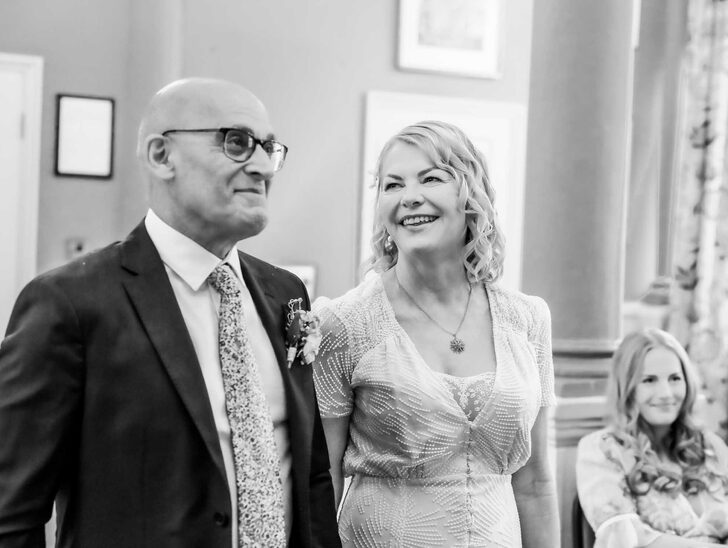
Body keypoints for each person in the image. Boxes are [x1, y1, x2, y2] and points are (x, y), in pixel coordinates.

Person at [0, 78, 340, 548]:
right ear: (162, 155)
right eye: (237, 142)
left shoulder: (285, 293)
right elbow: (4, 521)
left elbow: (310, 476)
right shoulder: (70, 304)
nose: (263, 166)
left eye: (269, 148)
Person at [312, 120, 559, 547]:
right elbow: (323, 478)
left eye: (431, 178)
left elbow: (535, 483)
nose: (409, 196)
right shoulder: (345, 323)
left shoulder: (528, 319)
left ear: (472, 194)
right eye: (393, 184)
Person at [576, 328, 728, 547]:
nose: (666, 393)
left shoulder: (709, 445)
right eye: (649, 380)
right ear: (627, 388)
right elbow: (624, 538)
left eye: (675, 378)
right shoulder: (601, 449)